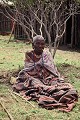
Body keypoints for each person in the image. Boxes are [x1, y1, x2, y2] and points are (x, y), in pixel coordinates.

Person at [13, 35, 78, 112]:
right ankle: (48, 90)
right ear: (33, 45)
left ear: (44, 45)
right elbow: (28, 68)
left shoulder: (47, 54)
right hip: (34, 76)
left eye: (42, 44)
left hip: (47, 76)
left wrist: (46, 72)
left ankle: (54, 90)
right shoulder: (29, 54)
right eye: (37, 43)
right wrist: (37, 70)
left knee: (56, 82)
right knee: (30, 80)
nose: (40, 46)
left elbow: (51, 68)